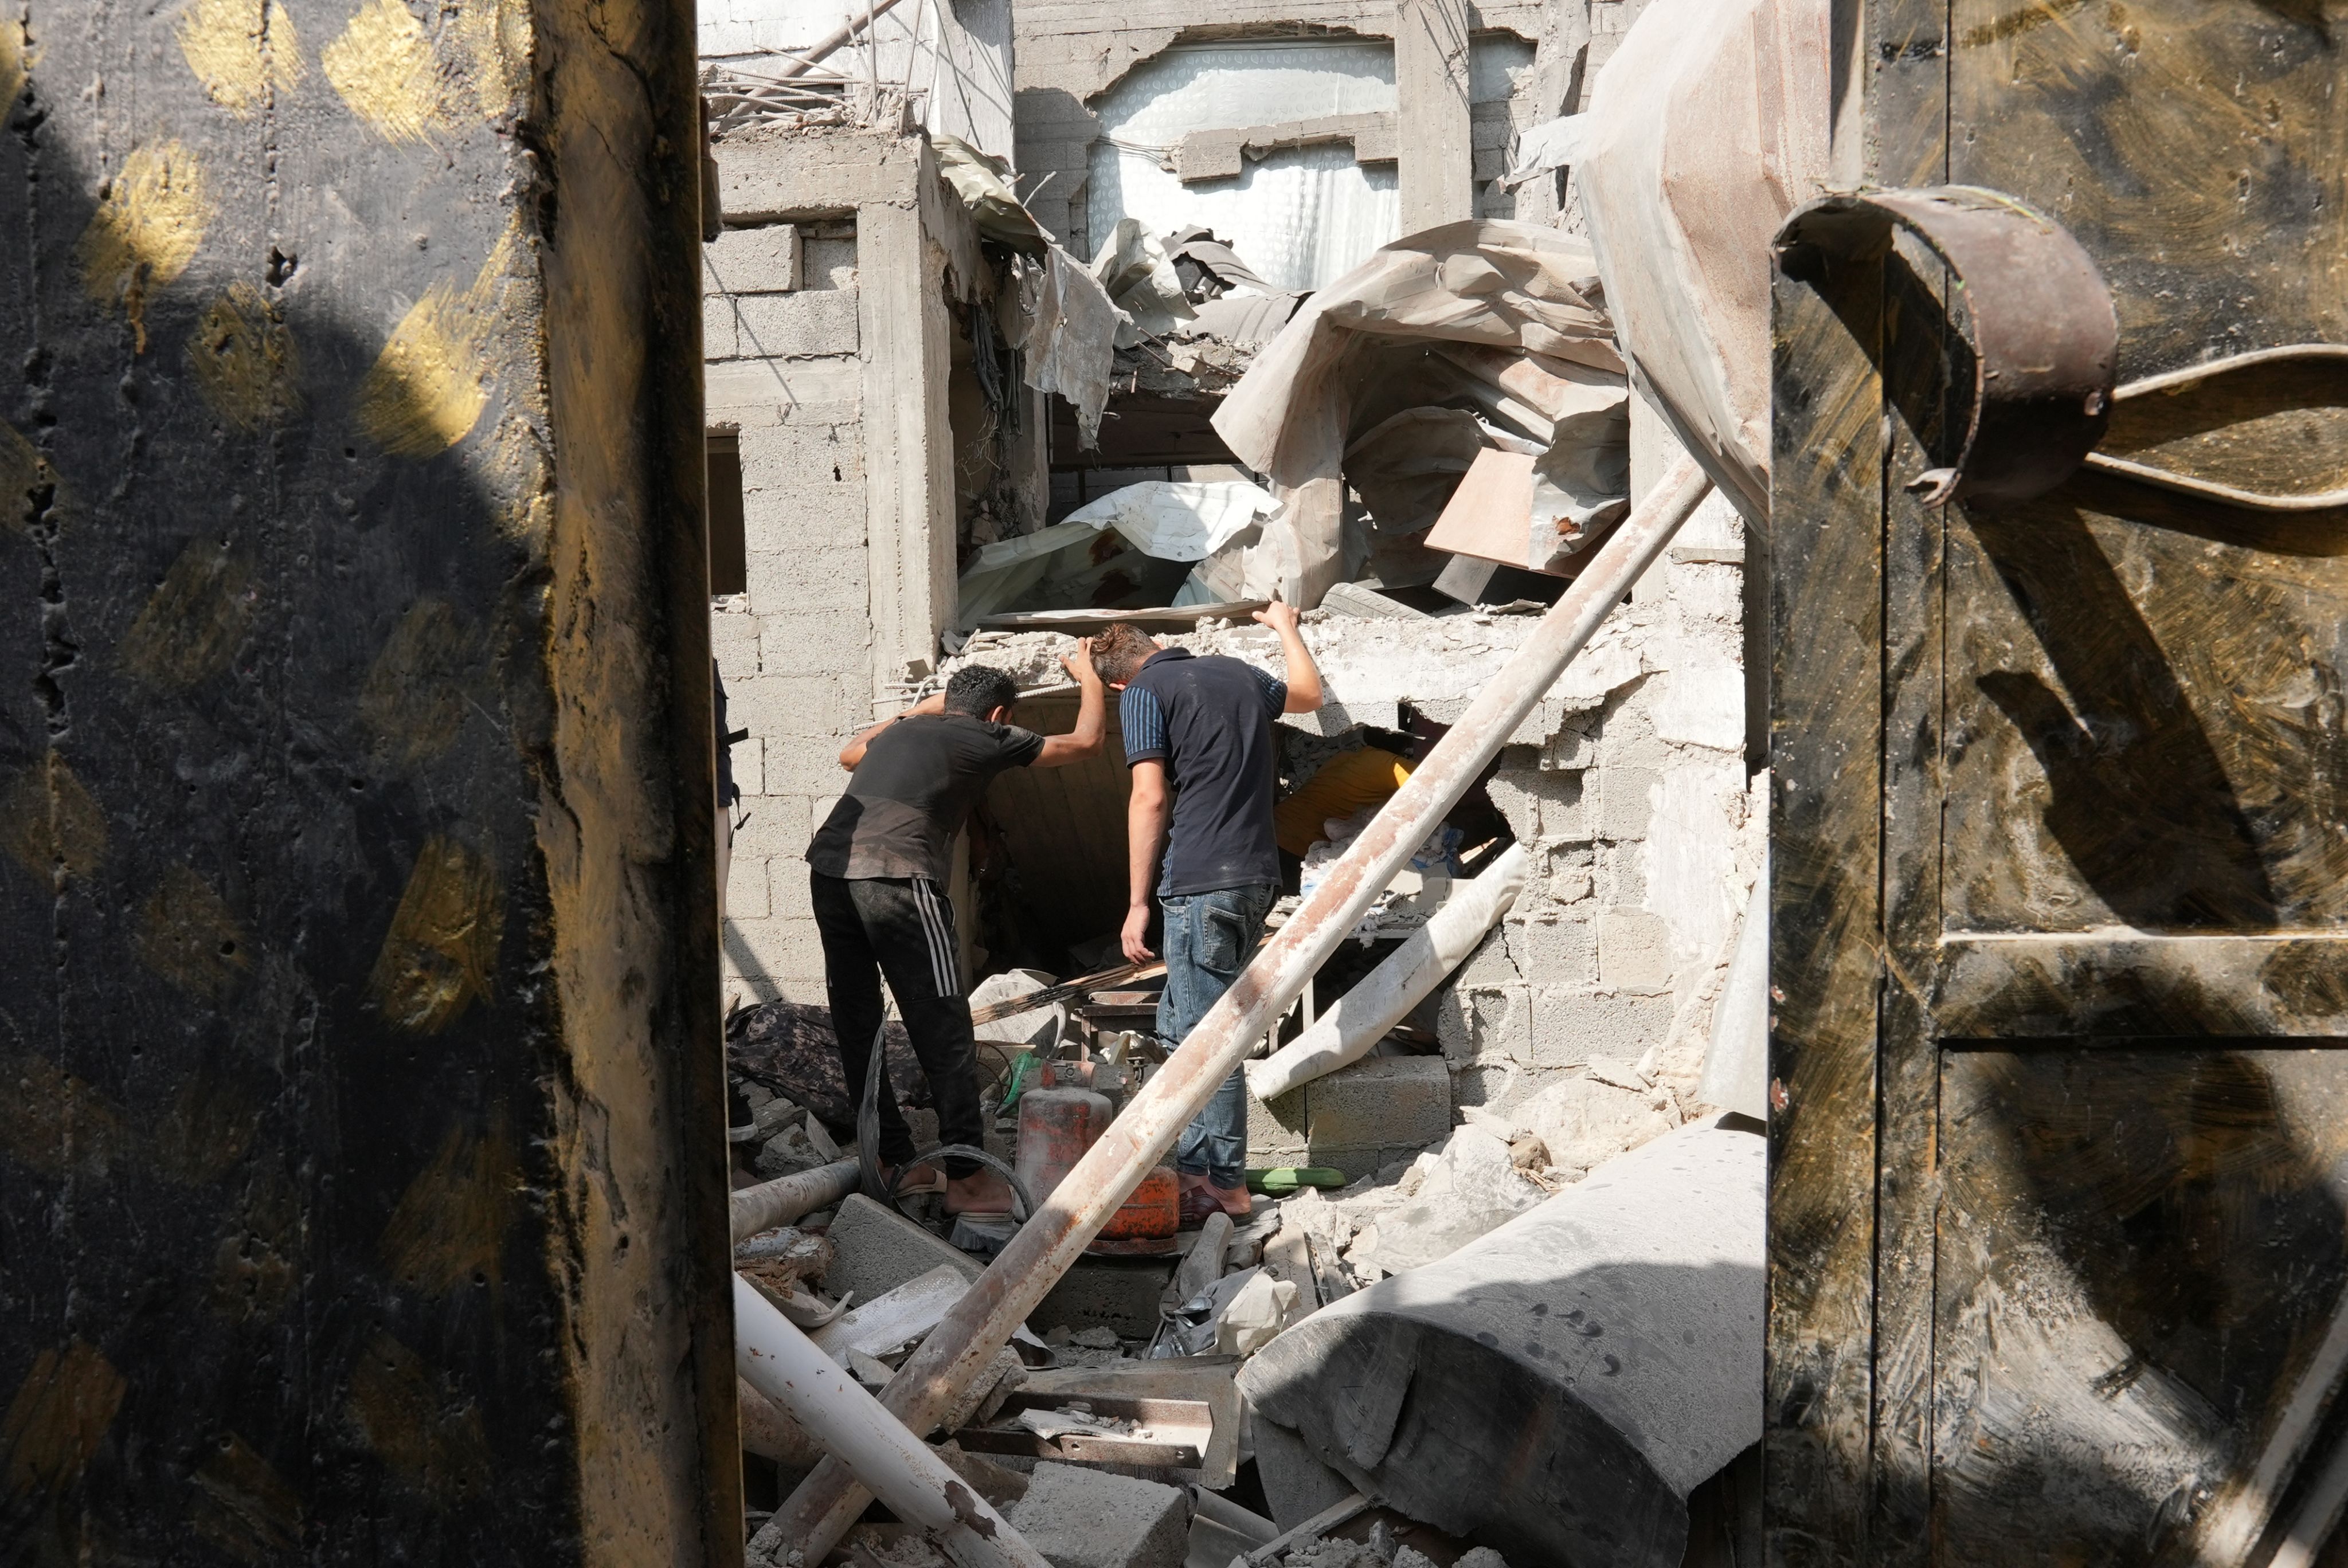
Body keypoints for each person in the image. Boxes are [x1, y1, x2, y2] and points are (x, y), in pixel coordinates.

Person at [806, 645, 1105, 1214]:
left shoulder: (897, 735)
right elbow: (1086, 742)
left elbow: (848, 755)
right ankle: (967, 1177)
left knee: (857, 1022)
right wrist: (1088, 676)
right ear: (998, 716)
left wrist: (926, 708)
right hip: (898, 877)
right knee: (942, 1021)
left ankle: (894, 1161)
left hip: (830, 870)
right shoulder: (990, 738)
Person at [1093, 605, 1325, 1225]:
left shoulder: (1142, 692)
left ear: (1116, 683)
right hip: (1257, 877)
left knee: (1206, 1042)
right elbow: (1307, 694)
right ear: (1161, 644)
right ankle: (1198, 1169)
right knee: (1181, 1027)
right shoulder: (1235, 671)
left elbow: (1149, 796)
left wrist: (1138, 902)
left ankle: (1221, 1186)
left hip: (1199, 879)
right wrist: (1284, 627)